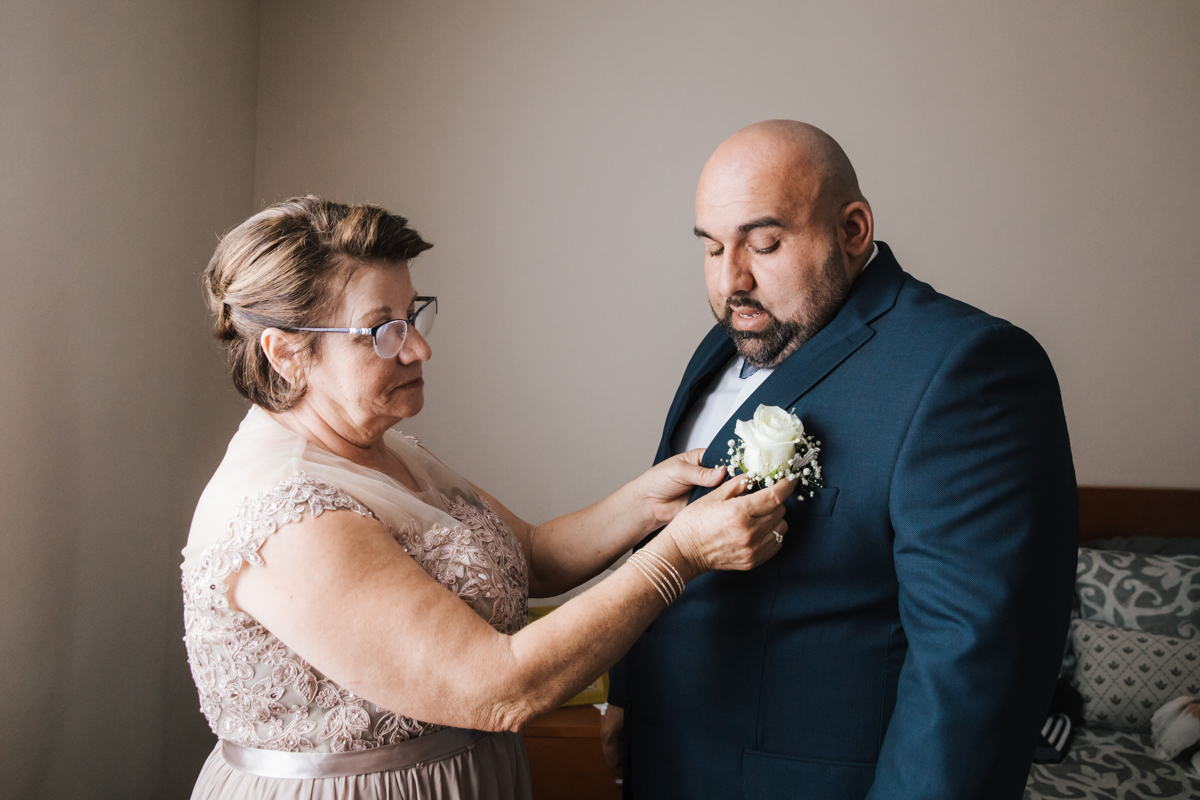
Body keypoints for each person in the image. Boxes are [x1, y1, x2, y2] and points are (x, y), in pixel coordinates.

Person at [181, 196, 795, 799]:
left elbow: (525, 553)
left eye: (413, 316)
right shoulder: (288, 514)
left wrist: (645, 502)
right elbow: (496, 688)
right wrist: (679, 555)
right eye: (382, 332)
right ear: (287, 353)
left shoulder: (385, 449)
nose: (420, 348)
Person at [602, 121, 1078, 799]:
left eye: (763, 244)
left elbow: (971, 674)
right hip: (670, 762)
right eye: (711, 248)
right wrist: (629, 688)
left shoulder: (968, 370)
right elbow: (664, 525)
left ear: (852, 230)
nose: (731, 279)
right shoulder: (727, 340)